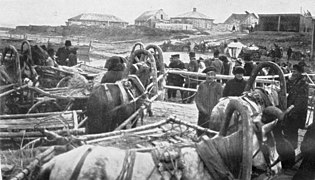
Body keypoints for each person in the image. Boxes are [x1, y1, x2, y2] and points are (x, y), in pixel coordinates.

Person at [284, 64, 309, 149]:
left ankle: (292, 149)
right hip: (290, 110)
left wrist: (292, 110)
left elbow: (301, 100)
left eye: (294, 71)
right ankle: (288, 147)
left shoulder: (304, 84)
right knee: (288, 130)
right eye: (292, 71)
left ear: (299, 73)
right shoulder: (292, 81)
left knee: (293, 131)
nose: (293, 73)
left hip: (297, 112)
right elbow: (286, 89)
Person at [195, 70, 222, 136]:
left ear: (215, 76)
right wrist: (202, 109)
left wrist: (215, 110)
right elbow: (198, 98)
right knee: (201, 129)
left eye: (212, 75)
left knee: (212, 130)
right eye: (208, 75)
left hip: (214, 113)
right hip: (203, 112)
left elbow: (220, 99)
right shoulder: (202, 85)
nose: (210, 77)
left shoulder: (218, 86)